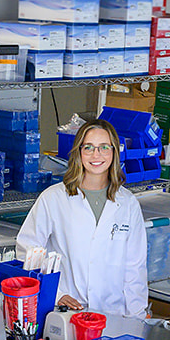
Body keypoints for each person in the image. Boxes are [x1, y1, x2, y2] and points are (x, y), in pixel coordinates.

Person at [16, 117, 148, 317]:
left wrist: (137, 319)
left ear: (114, 152)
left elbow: (135, 268)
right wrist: (56, 294)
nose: (97, 154)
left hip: (113, 314)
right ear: (79, 152)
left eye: (104, 147)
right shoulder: (54, 198)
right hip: (65, 312)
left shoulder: (128, 204)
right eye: (89, 147)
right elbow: (27, 251)